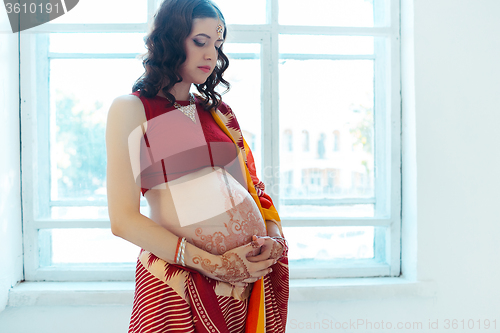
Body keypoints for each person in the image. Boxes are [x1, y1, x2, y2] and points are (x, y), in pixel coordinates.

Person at [105, 0, 289, 332]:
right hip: (177, 284)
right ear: (170, 39)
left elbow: (253, 188)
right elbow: (123, 220)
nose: (211, 55)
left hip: (240, 286)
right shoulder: (132, 108)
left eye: (217, 45)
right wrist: (214, 264)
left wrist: (273, 240)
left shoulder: (219, 112)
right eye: (200, 42)